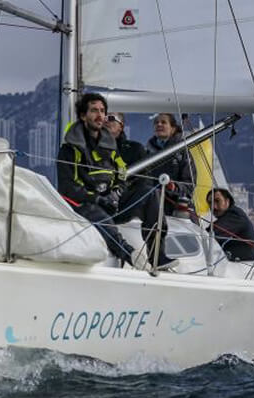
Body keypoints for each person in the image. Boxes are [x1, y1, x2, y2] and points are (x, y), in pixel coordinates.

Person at [57, 94, 176, 270]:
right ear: (83, 115)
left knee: (150, 192)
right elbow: (68, 188)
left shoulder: (109, 146)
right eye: (94, 111)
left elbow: (121, 173)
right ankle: (128, 253)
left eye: (102, 111)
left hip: (111, 203)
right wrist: (97, 198)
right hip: (86, 206)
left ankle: (157, 256)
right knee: (95, 212)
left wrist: (117, 191)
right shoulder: (69, 150)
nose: (100, 115)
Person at [144, 113, 194, 217]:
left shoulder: (183, 151)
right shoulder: (147, 152)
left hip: (176, 209)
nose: (159, 124)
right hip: (150, 208)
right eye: (156, 123)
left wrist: (173, 186)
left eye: (163, 122)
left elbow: (189, 185)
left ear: (173, 129)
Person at [206, 188, 254, 261]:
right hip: (234, 263)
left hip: (243, 265)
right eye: (210, 203)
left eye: (217, 201)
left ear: (227, 201)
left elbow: (211, 234)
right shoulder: (228, 217)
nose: (214, 207)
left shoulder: (235, 216)